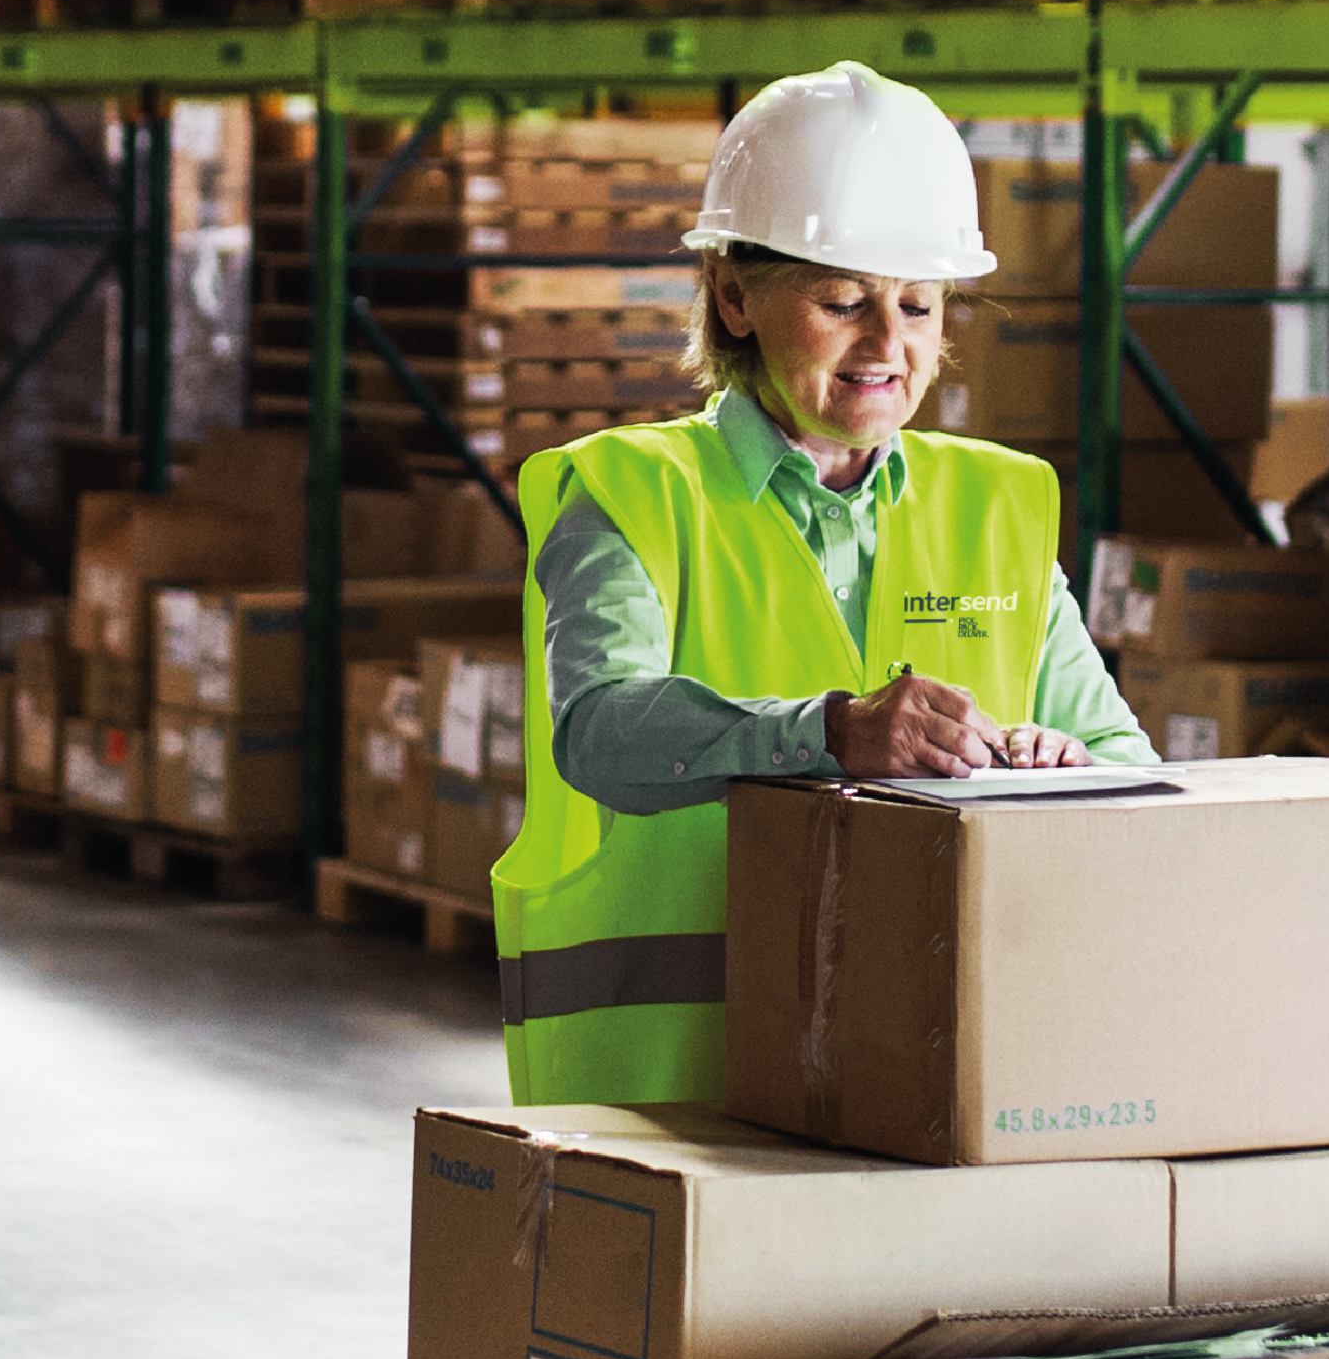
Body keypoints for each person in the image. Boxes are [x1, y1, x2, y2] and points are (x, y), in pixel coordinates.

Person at [492, 62, 1156, 1109]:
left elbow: (1127, 759)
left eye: (919, 306)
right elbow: (602, 731)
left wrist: (1059, 765)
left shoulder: (1000, 507)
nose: (887, 345)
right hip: (671, 1100)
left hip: (923, 1077)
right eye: (843, 301)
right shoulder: (632, 493)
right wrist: (826, 732)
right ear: (735, 294)